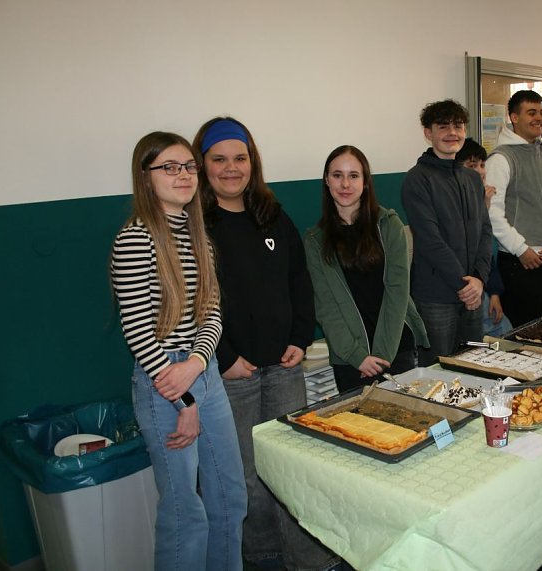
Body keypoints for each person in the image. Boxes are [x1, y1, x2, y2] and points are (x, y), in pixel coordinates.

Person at [192, 117, 338, 571]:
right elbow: (192, 300)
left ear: (252, 162)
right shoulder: (195, 224)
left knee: (289, 466)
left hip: (284, 366)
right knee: (246, 477)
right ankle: (265, 558)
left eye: (240, 158)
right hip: (233, 373)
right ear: (203, 165)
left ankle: (306, 560)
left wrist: (299, 338)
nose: (231, 169)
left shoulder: (271, 215)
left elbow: (299, 280)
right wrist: (224, 357)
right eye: (219, 160)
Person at [111, 131, 246, 570]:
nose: (183, 175)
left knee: (229, 496)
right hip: (164, 385)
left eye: (188, 166)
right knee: (185, 513)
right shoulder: (135, 238)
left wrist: (197, 362)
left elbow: (212, 311)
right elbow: (136, 329)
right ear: (146, 177)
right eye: (169, 167)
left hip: (198, 371)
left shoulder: (198, 236)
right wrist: (183, 397)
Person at [304, 145, 429, 392]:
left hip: (394, 347)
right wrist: (357, 356)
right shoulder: (315, 240)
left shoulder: (389, 225)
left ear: (365, 182)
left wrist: (381, 354)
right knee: (359, 428)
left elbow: (398, 290)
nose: (345, 184)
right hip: (350, 356)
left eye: (353, 175)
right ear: (327, 181)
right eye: (337, 175)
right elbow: (325, 307)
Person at [401, 100, 493, 365]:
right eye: (443, 126)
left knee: (475, 365)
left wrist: (479, 279)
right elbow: (430, 241)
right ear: (428, 133)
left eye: (458, 125)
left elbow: (485, 232)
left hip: (474, 292)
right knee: (437, 372)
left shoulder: (472, 179)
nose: (452, 132)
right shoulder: (417, 179)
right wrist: (466, 285)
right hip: (436, 298)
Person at [485, 90, 542, 326]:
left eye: (541, 112)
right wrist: (521, 249)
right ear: (514, 117)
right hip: (518, 263)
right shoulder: (500, 159)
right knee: (522, 340)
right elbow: (492, 213)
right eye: (531, 112)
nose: (539, 118)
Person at [455, 138, 513, 338]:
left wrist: (494, 293)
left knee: (505, 330)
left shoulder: (480, 202)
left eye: (482, 165)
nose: (480, 171)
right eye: (472, 166)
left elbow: (488, 255)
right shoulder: (456, 204)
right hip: (464, 287)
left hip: (485, 287)